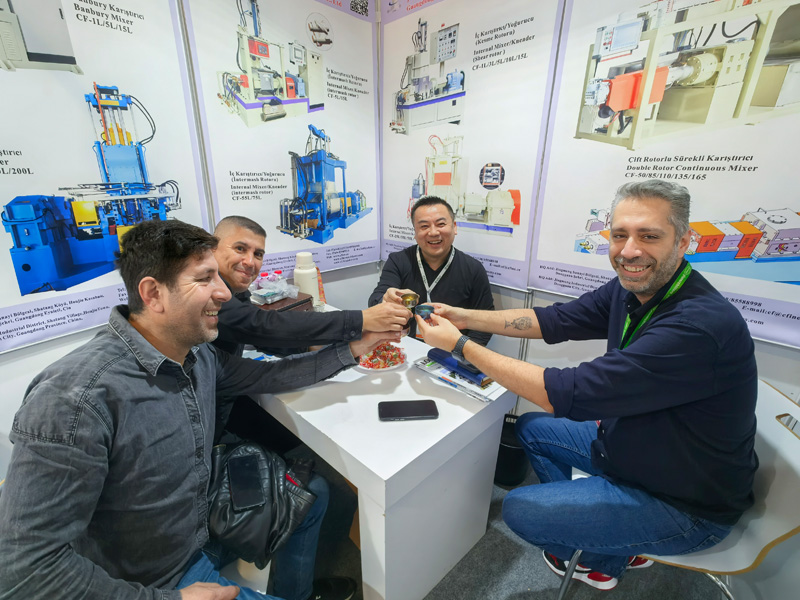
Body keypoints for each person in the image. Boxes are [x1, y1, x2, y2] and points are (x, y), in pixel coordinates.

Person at [0, 219, 390, 600]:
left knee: (313, 494)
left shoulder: (200, 355)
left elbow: (274, 375)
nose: (224, 293)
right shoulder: (75, 398)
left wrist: (355, 348)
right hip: (159, 575)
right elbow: (24, 571)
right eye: (205, 279)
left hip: (201, 520)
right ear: (153, 294)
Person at [415, 180, 758, 591]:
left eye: (649, 236)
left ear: (684, 241)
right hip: (633, 450)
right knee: (532, 427)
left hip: (683, 502)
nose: (629, 251)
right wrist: (464, 316)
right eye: (620, 235)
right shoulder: (634, 288)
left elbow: (567, 392)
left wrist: (459, 344)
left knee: (519, 509)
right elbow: (554, 320)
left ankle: (604, 556)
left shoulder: (696, 326)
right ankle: (606, 531)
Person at [368, 196, 494, 345]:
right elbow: (375, 300)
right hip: (406, 346)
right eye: (424, 226)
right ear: (415, 232)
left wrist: (464, 352)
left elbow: (485, 322)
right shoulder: (398, 261)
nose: (433, 232)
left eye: (441, 224)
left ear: (454, 227)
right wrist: (384, 300)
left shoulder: (473, 269)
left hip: (452, 350)